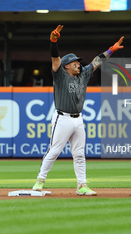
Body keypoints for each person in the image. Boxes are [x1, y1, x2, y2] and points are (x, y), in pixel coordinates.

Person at [32, 25, 124, 196]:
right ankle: (40, 181)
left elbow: (97, 60)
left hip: (78, 119)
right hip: (62, 118)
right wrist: (53, 41)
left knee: (80, 154)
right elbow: (54, 57)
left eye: (79, 62)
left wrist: (111, 50)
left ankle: (82, 185)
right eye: (75, 62)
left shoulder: (83, 74)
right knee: (54, 150)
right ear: (66, 66)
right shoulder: (60, 74)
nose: (79, 64)